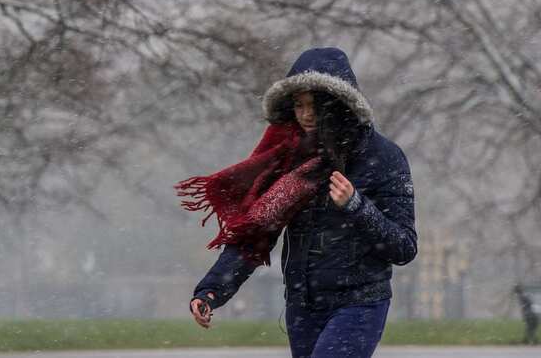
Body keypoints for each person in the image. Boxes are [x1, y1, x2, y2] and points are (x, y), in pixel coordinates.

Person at [177, 47, 417, 358]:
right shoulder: (291, 158)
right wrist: (211, 292)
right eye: (299, 105)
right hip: (302, 307)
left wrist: (356, 206)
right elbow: (255, 232)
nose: (305, 115)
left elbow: (404, 247)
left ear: (338, 104)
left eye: (314, 106)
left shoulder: (384, 158)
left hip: (359, 304)